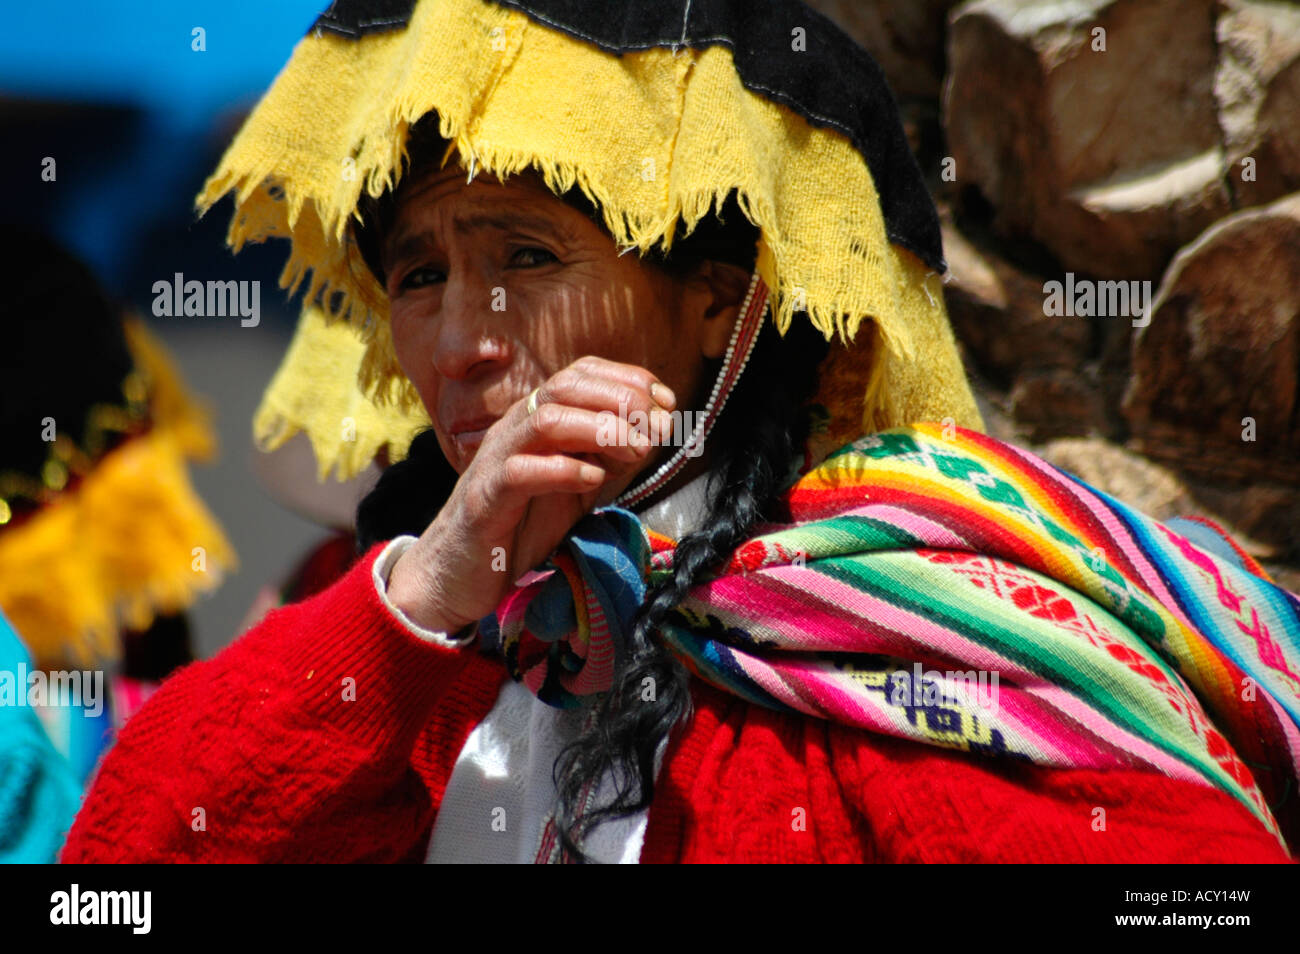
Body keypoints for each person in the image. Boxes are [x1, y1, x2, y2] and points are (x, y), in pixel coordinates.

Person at [62, 0, 1299, 863]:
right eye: (417, 273)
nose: (457, 343)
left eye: (528, 256)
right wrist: (428, 596)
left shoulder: (903, 621)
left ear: (719, 298)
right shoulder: (406, 622)